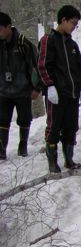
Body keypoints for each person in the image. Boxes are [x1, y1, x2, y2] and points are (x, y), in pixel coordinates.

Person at [38, 5, 81, 173]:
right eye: (73, 23)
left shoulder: (72, 45)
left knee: (71, 127)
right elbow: (43, 66)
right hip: (56, 95)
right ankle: (52, 161)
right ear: (63, 20)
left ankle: (69, 159)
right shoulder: (48, 40)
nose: (74, 26)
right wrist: (49, 86)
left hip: (72, 94)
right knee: (54, 127)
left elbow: (78, 69)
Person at [0, 12, 41, 160]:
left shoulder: (23, 44)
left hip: (23, 90)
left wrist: (37, 88)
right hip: (3, 90)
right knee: (2, 119)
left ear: (8, 27)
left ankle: (22, 145)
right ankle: (2, 149)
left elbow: (36, 66)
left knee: (24, 118)